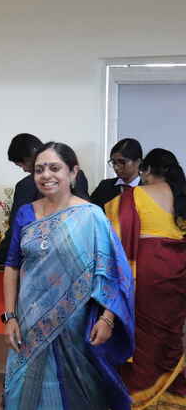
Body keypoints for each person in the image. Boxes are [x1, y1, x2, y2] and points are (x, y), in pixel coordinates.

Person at [2, 142, 134, 410]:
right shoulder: (26, 213)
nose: (46, 175)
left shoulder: (92, 216)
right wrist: (10, 316)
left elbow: (114, 273)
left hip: (75, 323)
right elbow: (12, 266)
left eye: (54, 168)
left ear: (73, 172)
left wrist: (107, 319)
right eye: (39, 169)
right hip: (29, 320)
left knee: (78, 392)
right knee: (21, 387)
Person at [106, 148, 186, 409]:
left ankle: (141, 396)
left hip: (148, 269)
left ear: (147, 170)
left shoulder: (136, 195)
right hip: (178, 270)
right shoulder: (181, 196)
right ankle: (172, 394)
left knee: (144, 335)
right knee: (171, 334)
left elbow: (115, 230)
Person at [0, 133, 89, 267]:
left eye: (22, 164)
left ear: (73, 172)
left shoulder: (25, 186)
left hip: (46, 259)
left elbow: (15, 231)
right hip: (73, 257)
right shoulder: (79, 179)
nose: (24, 169)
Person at [91, 138, 143, 211]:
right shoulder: (104, 186)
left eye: (122, 162)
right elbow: (92, 212)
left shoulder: (149, 188)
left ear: (137, 162)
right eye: (114, 162)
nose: (116, 167)